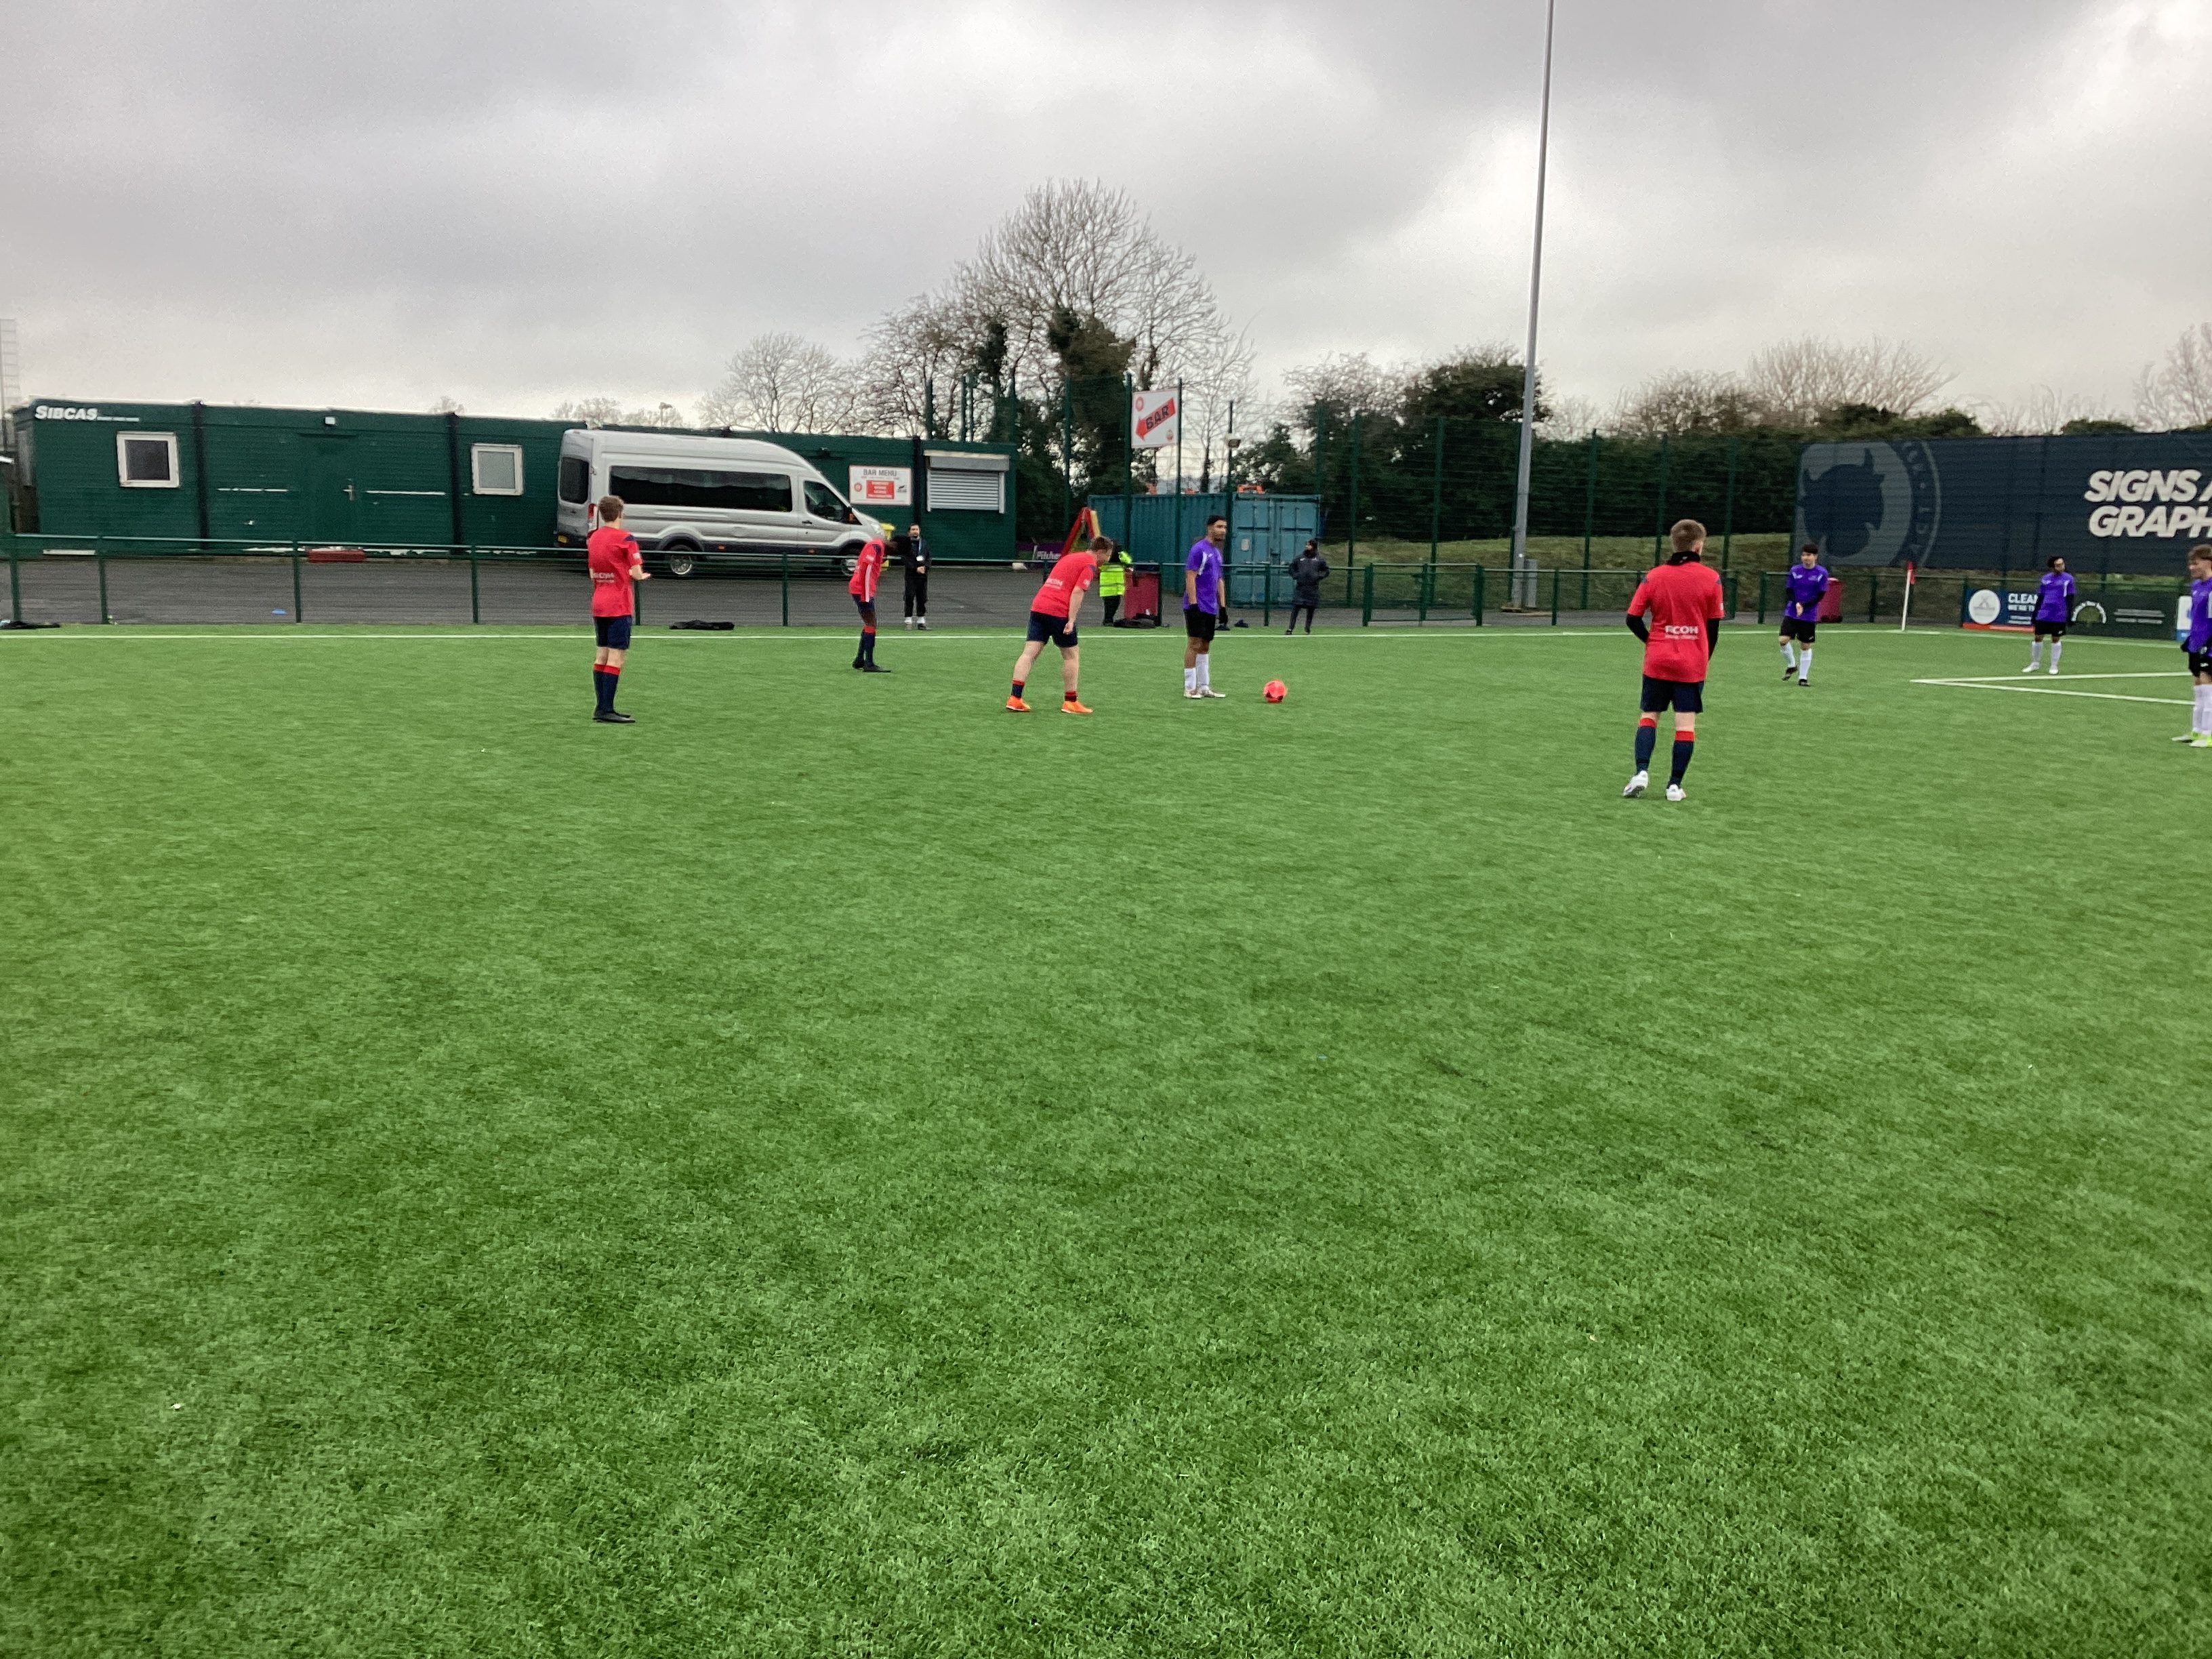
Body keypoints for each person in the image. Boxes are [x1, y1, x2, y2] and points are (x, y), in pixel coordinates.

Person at [1623, 518, 1728, 801]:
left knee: (1649, 716)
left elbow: (1632, 618)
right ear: (1699, 545)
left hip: (1658, 659)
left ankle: (1641, 772)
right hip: (1692, 663)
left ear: (1673, 544)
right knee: (1685, 725)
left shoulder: (1654, 576)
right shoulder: (1712, 578)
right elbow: (1714, 628)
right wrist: (1703, 658)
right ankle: (1674, 786)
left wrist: (1653, 641)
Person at [1007, 538, 1098, 714]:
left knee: (1029, 654)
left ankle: (1015, 698)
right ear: (1102, 551)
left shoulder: (1069, 558)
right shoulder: (1089, 564)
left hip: (1039, 606)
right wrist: (1071, 619)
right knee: (1071, 655)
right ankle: (1070, 701)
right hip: (1058, 611)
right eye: (1108, 555)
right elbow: (1078, 591)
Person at [586, 494, 648, 724]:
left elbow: (593, 572)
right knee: (616, 657)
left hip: (599, 601)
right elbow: (637, 572)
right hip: (618, 604)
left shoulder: (593, 538)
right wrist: (640, 575)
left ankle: (601, 707)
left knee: (601, 654)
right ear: (621, 513)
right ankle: (606, 709)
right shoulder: (626, 539)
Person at [1183, 514, 1228, 698]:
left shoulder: (1217, 552)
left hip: (1211, 607)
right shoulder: (1198, 549)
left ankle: (1204, 687)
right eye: (1219, 527)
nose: (1223, 530)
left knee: (1206, 646)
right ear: (1210, 527)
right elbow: (1190, 576)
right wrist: (1193, 605)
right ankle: (1189, 688)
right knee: (1194, 644)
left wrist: (1223, 607)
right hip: (1197, 606)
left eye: (1225, 527)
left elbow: (1219, 580)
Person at [1778, 543, 1828, 685]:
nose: (1806, 558)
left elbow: (1820, 595)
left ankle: (1803, 678)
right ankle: (1792, 665)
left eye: (1809, 555)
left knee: (1805, 646)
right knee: (1783, 640)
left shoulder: (1822, 573)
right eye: (1804, 555)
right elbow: (1789, 590)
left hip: (1809, 614)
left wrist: (1804, 606)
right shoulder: (1795, 571)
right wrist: (1797, 604)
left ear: (1815, 557)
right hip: (1792, 612)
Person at [2179, 544, 2212, 747]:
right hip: (2196, 644)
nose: (2191, 568)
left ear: (2208, 563)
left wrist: (2207, 643)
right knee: (2199, 691)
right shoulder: (2196, 587)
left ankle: (2209, 735)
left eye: (2195, 564)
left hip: (2209, 646)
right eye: (2190, 564)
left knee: (2209, 691)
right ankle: (2197, 731)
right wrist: (2191, 640)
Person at [2025, 555, 2076, 674]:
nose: (2062, 567)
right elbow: (2040, 597)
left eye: (2062, 564)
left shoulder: (2068, 579)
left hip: (2059, 613)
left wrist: (2069, 614)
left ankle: (2054, 666)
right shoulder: (2045, 579)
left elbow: (2070, 598)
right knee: (2038, 637)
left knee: (2055, 638)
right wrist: (2035, 614)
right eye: (2058, 565)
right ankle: (2035, 664)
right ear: (2052, 567)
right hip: (2044, 613)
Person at [849, 531, 889, 672]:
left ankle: (860, 660)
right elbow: (867, 567)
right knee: (872, 624)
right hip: (862, 590)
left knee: (869, 624)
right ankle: (869, 663)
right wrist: (866, 595)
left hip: (858, 588)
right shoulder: (877, 546)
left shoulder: (876, 545)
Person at [1286, 539, 1329, 634]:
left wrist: (1318, 576)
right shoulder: (1299, 558)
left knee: (1311, 610)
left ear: (1313, 546)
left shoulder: (1319, 559)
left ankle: (1307, 628)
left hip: (1312, 588)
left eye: (1309, 545)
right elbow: (1292, 568)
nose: (1307, 547)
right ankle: (1290, 628)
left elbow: (1326, 571)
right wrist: (1296, 576)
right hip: (1301, 588)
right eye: (1306, 545)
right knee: (1295, 609)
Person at [898, 522, 930, 630]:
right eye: (913, 530)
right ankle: (908, 620)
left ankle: (921, 621)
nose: (915, 531)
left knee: (922, 597)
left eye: (917, 529)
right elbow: (905, 559)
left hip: (922, 575)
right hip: (911, 575)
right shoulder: (906, 544)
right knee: (910, 596)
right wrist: (915, 568)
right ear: (909, 532)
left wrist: (925, 567)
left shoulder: (924, 543)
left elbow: (928, 557)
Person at [1096, 538, 1131, 625]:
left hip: (1106, 585)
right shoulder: (1120, 554)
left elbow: (1098, 565)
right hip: (1117, 584)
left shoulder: (1104, 555)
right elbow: (1128, 561)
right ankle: (1108, 620)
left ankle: (1108, 620)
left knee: (1108, 604)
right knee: (1115, 603)